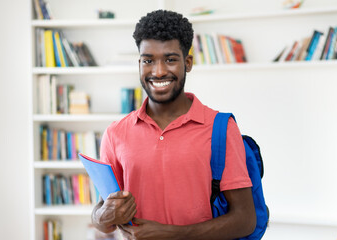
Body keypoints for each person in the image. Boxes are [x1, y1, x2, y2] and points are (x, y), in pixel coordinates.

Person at [91, 10, 256, 240]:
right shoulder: (115, 133)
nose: (158, 71)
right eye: (148, 60)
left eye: (170, 59)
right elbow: (101, 214)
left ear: (187, 63)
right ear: (139, 63)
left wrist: (173, 234)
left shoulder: (221, 127)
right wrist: (103, 216)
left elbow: (245, 220)